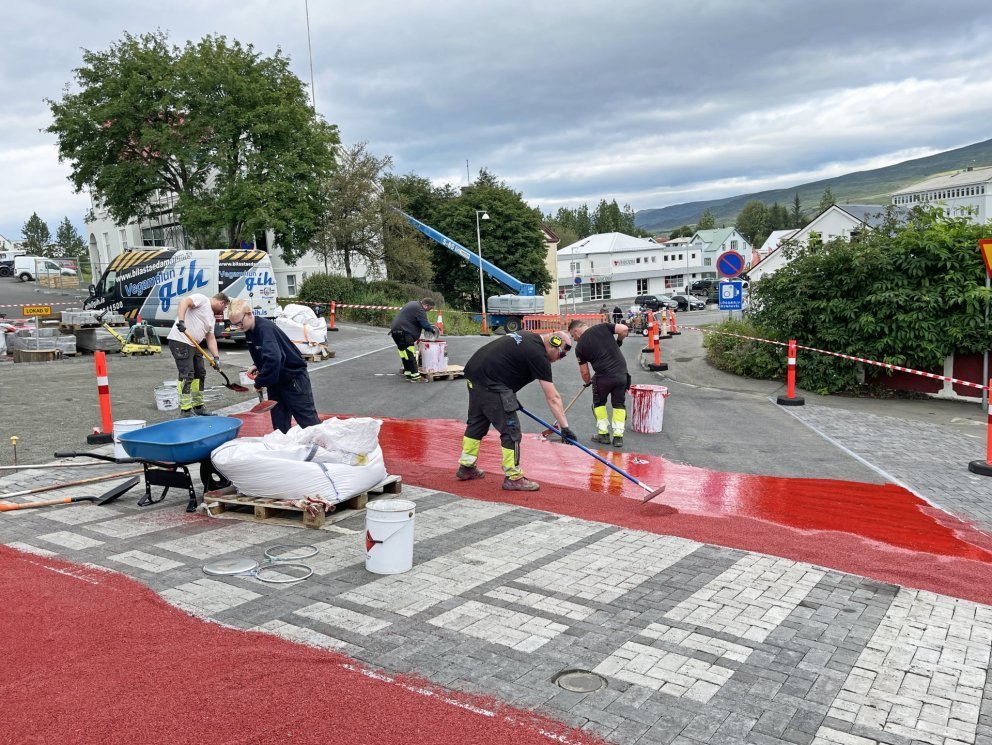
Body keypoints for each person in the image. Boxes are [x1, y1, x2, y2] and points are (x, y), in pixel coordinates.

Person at [456, 330, 577, 491]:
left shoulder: (527, 336)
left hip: (476, 377)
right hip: (492, 385)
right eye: (561, 355)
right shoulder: (539, 356)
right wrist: (565, 428)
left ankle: (467, 467)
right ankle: (513, 477)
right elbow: (553, 397)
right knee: (511, 432)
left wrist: (509, 394)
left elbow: (507, 362)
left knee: (476, 424)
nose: (558, 359)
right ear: (554, 344)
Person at [228, 299, 320, 434]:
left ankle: (323, 448)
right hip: (276, 381)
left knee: (307, 421)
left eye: (240, 323)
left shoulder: (265, 328)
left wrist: (259, 382)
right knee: (279, 422)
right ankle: (284, 448)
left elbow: (274, 359)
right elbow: (266, 353)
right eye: (235, 325)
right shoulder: (249, 330)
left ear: (249, 314)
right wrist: (256, 365)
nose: (239, 327)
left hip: (293, 379)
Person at [567, 318, 630, 448]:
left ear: (576, 331)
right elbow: (624, 329)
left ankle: (604, 435)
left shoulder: (580, 347)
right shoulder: (603, 327)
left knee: (599, 404)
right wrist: (619, 341)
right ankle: (618, 438)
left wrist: (587, 381)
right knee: (619, 405)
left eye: (573, 336)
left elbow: (584, 373)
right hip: (621, 374)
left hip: (602, 378)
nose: (574, 339)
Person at [166, 292, 230, 417]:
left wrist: (216, 357)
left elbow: (210, 338)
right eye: (225, 308)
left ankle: (198, 406)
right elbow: (184, 302)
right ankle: (185, 410)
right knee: (187, 374)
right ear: (221, 302)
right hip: (181, 340)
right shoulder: (202, 299)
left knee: (200, 373)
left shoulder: (211, 317)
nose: (224, 311)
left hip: (194, 345)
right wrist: (182, 321)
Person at [390, 298, 438, 382]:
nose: (428, 311)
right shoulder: (419, 309)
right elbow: (425, 325)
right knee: (410, 353)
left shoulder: (413, 304)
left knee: (404, 354)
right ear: (426, 305)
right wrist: (432, 330)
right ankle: (416, 376)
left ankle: (408, 373)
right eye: (429, 309)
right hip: (404, 332)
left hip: (395, 331)